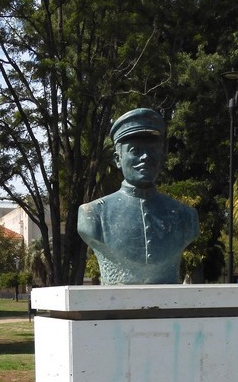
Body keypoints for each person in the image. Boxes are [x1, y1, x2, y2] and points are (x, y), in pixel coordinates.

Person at [78, 108, 199, 284]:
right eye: (135, 150)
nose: (145, 157)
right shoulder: (94, 214)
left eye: (152, 150)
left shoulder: (185, 216)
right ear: (118, 159)